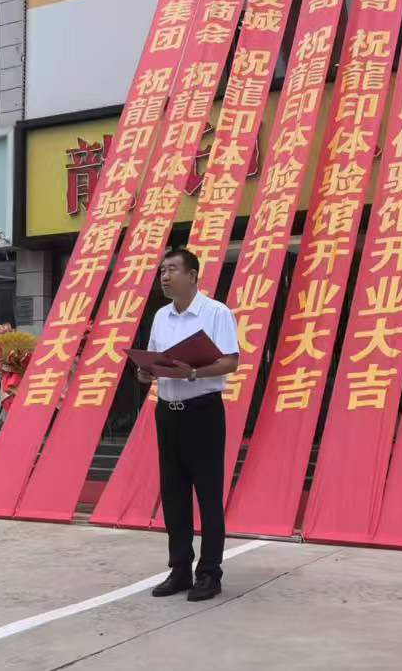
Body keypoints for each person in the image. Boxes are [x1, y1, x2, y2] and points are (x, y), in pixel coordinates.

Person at [137, 247, 240, 602]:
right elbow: (155, 362)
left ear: (193, 275)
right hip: (168, 412)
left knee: (208, 494)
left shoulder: (216, 313)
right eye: (162, 271)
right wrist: (146, 372)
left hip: (203, 412)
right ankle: (180, 569)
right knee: (174, 494)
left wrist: (193, 372)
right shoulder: (160, 316)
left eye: (171, 270)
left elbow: (230, 362)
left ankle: (209, 573)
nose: (164, 277)